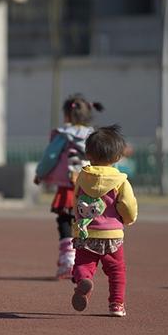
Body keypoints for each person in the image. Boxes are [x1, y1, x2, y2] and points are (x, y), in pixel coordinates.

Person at [33, 94, 103, 280]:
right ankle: (85, 264)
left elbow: (50, 157)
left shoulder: (63, 135)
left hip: (68, 187)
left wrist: (40, 174)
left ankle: (67, 259)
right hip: (89, 188)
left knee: (65, 221)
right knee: (86, 224)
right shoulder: (95, 137)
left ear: (66, 115)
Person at [70, 125, 138, 317]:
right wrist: (127, 220)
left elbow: (75, 201)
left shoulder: (83, 177)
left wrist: (78, 223)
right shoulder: (120, 181)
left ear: (88, 154)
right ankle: (116, 304)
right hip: (112, 234)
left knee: (83, 265)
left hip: (86, 232)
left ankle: (84, 280)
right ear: (118, 157)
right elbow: (128, 205)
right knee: (117, 270)